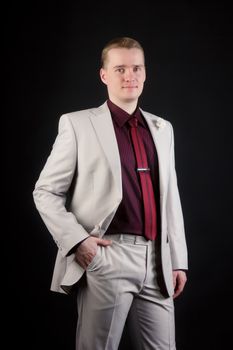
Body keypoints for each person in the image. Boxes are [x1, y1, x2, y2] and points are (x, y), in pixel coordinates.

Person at [33, 36, 188, 350]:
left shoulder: (163, 128)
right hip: (107, 255)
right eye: (120, 69)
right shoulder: (77, 125)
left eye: (136, 68)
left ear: (145, 73)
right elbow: (45, 191)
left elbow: (171, 196)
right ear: (104, 75)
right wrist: (78, 241)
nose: (129, 75)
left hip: (157, 259)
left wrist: (178, 260)